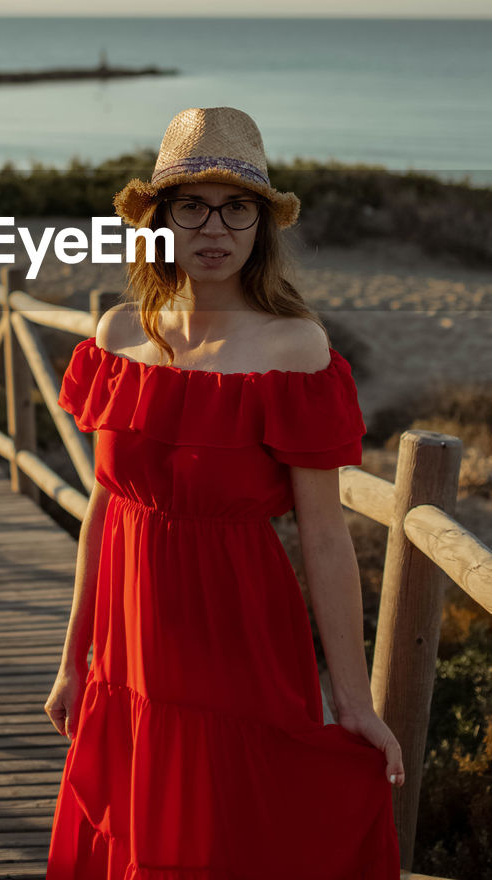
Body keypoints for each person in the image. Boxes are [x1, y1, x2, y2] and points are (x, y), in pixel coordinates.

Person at [43, 107, 404, 879]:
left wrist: (354, 699)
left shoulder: (292, 347)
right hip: (130, 635)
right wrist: (73, 659)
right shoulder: (117, 336)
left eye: (236, 206)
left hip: (236, 627)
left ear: (261, 225)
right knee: (141, 834)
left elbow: (325, 535)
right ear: (159, 221)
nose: (215, 227)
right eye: (191, 205)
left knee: (227, 834)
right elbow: (105, 508)